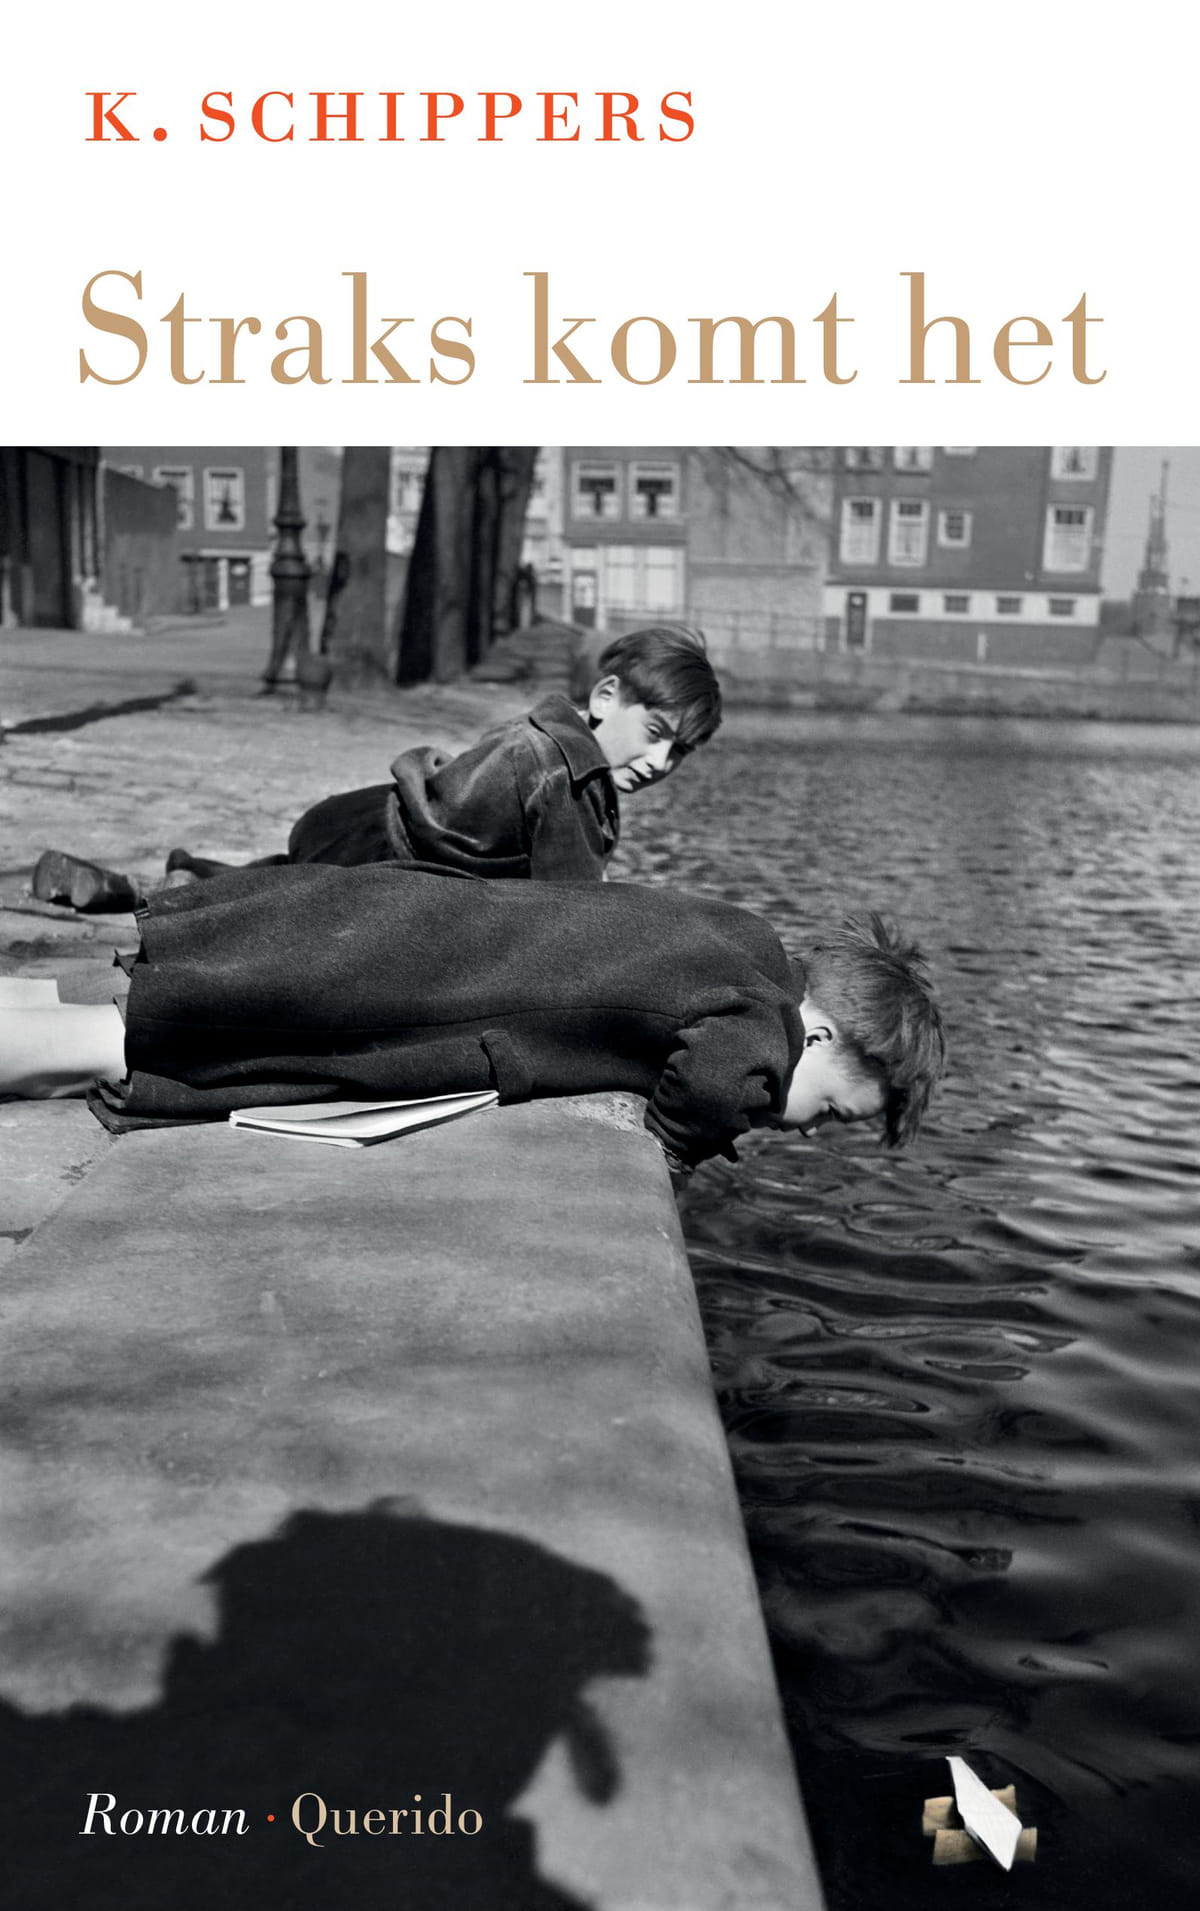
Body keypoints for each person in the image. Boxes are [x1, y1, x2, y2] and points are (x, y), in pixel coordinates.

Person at [1, 866, 946, 1176]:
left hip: (415, 927)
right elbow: (710, 1086)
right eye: (829, 1110)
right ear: (818, 1036)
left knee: (140, 1004)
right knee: (137, 1041)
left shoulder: (747, 936)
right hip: (403, 991)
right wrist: (682, 1153)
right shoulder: (764, 1022)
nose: (804, 1127)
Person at [31, 624, 722, 910]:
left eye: (680, 752)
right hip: (377, 854)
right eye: (655, 733)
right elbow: (577, 917)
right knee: (273, 916)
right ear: (606, 697)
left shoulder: (547, 738)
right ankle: (173, 902)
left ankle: (153, 883)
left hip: (358, 819)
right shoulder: (567, 774)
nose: (661, 762)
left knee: (278, 882)